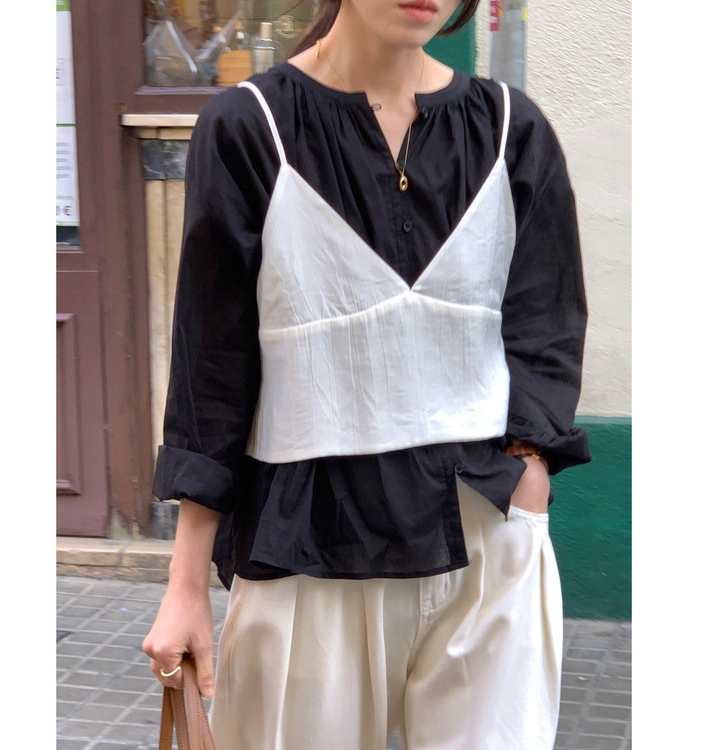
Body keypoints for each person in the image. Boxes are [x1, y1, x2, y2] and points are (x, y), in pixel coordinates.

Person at [143, 0, 590, 747]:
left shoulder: (511, 128)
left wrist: (531, 467)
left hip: (485, 540)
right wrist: (185, 585)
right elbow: (211, 364)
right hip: (306, 544)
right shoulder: (251, 126)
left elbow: (546, 318)